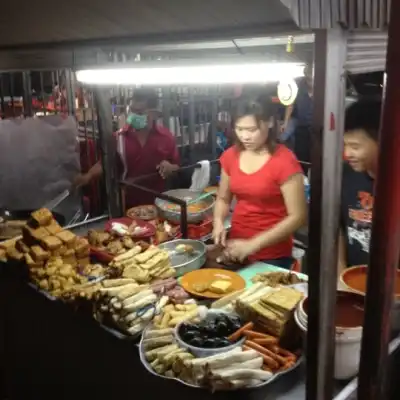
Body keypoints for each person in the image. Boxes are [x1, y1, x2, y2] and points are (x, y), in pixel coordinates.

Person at [212, 97, 307, 269]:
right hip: (236, 247)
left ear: (270, 122)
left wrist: (252, 245)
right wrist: (218, 221)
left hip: (273, 254)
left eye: (252, 129)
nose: (244, 136)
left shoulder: (285, 161)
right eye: (239, 129)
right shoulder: (231, 156)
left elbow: (298, 216)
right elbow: (223, 199)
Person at [74, 88, 180, 208]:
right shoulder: (119, 137)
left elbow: (176, 168)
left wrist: (170, 168)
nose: (133, 116)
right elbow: (104, 164)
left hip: (158, 205)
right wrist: (88, 176)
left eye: (139, 112)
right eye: (131, 111)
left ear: (154, 114)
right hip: (128, 207)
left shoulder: (167, 138)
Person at [338, 98, 380, 271]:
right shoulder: (345, 174)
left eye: (355, 146)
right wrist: (340, 271)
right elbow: (338, 228)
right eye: (345, 144)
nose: (347, 154)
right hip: (352, 278)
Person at [281, 65, 313, 174]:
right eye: (309, 79)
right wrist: (285, 123)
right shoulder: (297, 86)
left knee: (316, 156)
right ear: (306, 75)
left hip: (318, 128)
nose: (311, 82)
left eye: (313, 79)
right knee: (301, 156)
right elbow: (290, 105)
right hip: (302, 127)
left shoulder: (324, 86)